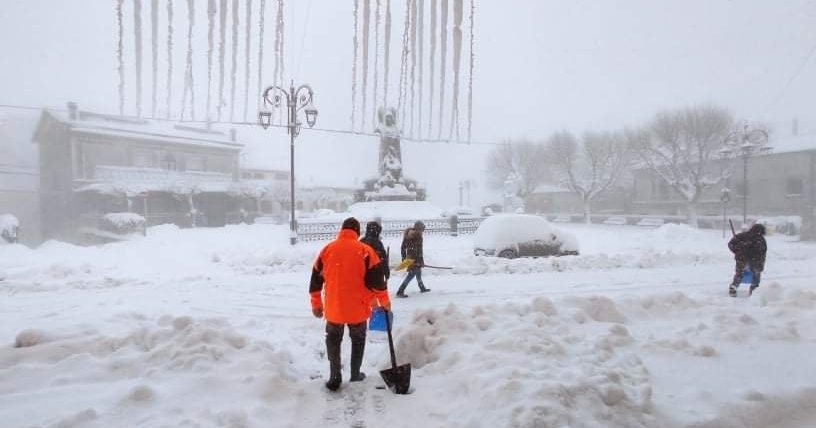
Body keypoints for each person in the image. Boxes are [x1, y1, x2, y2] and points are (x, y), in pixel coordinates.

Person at [309, 217, 391, 391]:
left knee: (333, 340)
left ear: (342, 229)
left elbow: (315, 281)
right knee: (358, 339)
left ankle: (335, 376)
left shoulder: (327, 250)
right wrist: (385, 303)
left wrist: (317, 304)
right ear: (357, 232)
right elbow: (378, 283)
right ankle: (355, 374)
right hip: (358, 309)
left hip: (334, 308)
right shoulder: (365, 251)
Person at [728, 223, 767, 297]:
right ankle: (754, 290)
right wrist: (761, 265)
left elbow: (731, 244)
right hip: (755, 261)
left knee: (739, 274)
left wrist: (737, 251)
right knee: (756, 276)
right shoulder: (761, 240)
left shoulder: (742, 236)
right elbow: (763, 253)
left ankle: (733, 287)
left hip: (742, 259)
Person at [396, 220, 430, 297]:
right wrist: (405, 258)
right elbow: (404, 248)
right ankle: (400, 291)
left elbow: (419, 250)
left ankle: (422, 287)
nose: (422, 231)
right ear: (418, 229)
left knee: (418, 273)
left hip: (415, 258)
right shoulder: (411, 237)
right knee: (411, 275)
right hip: (411, 259)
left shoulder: (416, 236)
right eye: (421, 229)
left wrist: (421, 261)